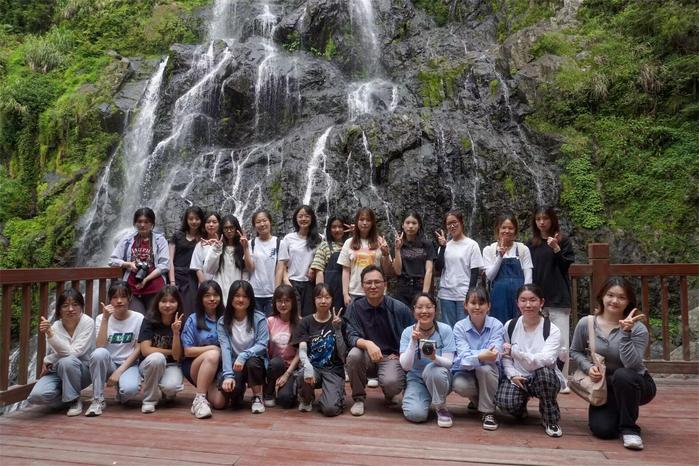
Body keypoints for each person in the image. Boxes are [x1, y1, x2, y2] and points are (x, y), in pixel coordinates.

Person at [570, 277, 655, 450]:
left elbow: (632, 365)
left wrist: (625, 334)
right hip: (604, 386)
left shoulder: (638, 329)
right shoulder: (586, 323)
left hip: (635, 382)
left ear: (629, 301)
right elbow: (575, 351)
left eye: (621, 297)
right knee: (603, 430)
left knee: (622, 375)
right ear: (602, 296)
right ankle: (619, 413)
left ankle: (630, 429)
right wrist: (588, 367)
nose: (615, 301)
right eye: (610, 295)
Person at [344, 265, 414, 416]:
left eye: (377, 282)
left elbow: (411, 335)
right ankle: (358, 398)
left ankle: (390, 394)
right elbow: (350, 336)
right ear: (362, 286)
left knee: (392, 383)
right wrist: (367, 344)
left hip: (390, 357)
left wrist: (400, 353)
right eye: (368, 282)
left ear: (385, 284)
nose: (373, 286)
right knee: (354, 355)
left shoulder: (399, 308)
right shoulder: (354, 307)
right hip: (365, 355)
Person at [496, 284, 563, 438]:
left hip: (543, 377)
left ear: (541, 302)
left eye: (533, 300)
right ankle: (520, 407)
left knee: (545, 375)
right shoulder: (510, 326)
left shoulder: (552, 330)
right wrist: (512, 375)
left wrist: (516, 353)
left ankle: (550, 418)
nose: (528, 305)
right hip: (519, 376)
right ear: (517, 303)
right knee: (505, 402)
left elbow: (545, 360)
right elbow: (506, 357)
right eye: (523, 300)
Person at [527, 206, 575, 389]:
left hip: (558, 298)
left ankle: (563, 380)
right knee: (539, 341)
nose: (542, 222)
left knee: (561, 342)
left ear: (552, 219)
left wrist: (556, 248)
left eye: (545, 218)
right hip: (538, 299)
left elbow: (565, 267)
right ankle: (541, 379)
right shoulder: (531, 243)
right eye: (538, 219)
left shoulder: (563, 240)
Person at [27, 289, 95, 416]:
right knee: (36, 396)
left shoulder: (87, 322)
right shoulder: (55, 327)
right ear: (59, 309)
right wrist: (51, 334)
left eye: (75, 305)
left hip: (82, 371)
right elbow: (61, 353)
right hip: (58, 370)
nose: (70, 309)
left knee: (67, 361)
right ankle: (66, 399)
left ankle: (74, 400)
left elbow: (74, 352)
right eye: (65, 306)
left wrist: (48, 359)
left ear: (81, 307)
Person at [86, 281, 144, 417]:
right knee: (99, 353)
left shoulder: (138, 318)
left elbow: (138, 349)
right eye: (115, 297)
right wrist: (106, 319)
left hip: (128, 365)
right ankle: (98, 399)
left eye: (123, 297)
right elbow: (100, 346)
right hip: (108, 364)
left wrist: (119, 372)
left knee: (128, 392)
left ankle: (121, 389)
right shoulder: (101, 318)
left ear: (130, 298)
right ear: (109, 300)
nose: (119, 301)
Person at [399, 293, 456, 427]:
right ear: (413, 310)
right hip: (417, 380)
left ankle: (441, 408)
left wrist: (434, 358)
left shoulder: (445, 330)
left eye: (429, 307)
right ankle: (416, 396)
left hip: (440, 378)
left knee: (432, 369)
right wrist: (413, 342)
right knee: (415, 415)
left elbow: (449, 363)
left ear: (435, 309)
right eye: (419, 307)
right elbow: (406, 366)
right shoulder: (407, 332)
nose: (424, 311)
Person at [451, 287, 504, 431]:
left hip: (491, 373)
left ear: (489, 306)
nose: (477, 307)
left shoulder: (496, 325)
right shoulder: (459, 327)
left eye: (481, 303)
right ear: (465, 305)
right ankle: (478, 401)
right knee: (459, 384)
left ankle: (488, 412)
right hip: (466, 372)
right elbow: (463, 358)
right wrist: (481, 356)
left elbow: (495, 355)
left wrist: (473, 356)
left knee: (484, 369)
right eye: (473, 303)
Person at [294, 284, 347, 416]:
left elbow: (342, 355)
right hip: (313, 368)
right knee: (302, 374)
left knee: (330, 410)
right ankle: (306, 398)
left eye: (327, 297)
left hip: (333, 370)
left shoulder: (339, 322)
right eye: (319, 297)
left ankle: (333, 395)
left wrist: (337, 330)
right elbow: (302, 349)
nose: (323, 301)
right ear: (314, 300)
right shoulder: (305, 322)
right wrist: (307, 366)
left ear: (332, 299)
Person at [217, 280, 269, 413]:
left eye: (245, 296)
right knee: (232, 396)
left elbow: (262, 344)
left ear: (250, 299)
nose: (241, 299)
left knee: (252, 362)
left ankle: (257, 397)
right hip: (235, 365)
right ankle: (239, 392)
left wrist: (243, 355)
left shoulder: (259, 318)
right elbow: (225, 349)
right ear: (230, 298)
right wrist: (228, 375)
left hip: (255, 362)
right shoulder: (223, 322)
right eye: (237, 296)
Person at [109, 207, 169, 314]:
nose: (142, 225)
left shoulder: (160, 240)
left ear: (152, 223)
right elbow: (112, 260)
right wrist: (128, 264)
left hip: (155, 288)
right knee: (137, 318)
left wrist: (146, 279)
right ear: (135, 223)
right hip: (132, 288)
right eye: (139, 221)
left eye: (146, 222)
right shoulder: (127, 240)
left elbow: (164, 265)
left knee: (152, 319)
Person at [181, 281, 227, 419]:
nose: (212, 299)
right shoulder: (193, 319)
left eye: (215, 295)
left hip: (218, 368)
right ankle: (199, 399)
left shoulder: (226, 318)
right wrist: (213, 348)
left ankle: (205, 393)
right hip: (195, 364)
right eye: (207, 295)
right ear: (201, 298)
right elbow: (187, 351)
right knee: (213, 354)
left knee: (219, 403)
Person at [138, 285, 184, 414]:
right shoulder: (149, 320)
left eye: (172, 301)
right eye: (163, 301)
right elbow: (145, 350)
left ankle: (166, 391)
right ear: (157, 303)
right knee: (157, 358)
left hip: (172, 365)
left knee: (171, 387)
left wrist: (176, 333)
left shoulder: (183, 321)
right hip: (149, 364)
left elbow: (177, 357)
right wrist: (170, 352)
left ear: (178, 303)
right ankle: (149, 400)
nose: (167, 305)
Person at [434, 211, 484, 327]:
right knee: (448, 328)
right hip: (446, 294)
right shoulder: (445, 246)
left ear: (461, 223)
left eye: (454, 222)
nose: (452, 226)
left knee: (464, 327)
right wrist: (442, 247)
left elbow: (474, 272)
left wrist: (470, 295)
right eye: (449, 224)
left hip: (463, 294)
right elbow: (438, 268)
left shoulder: (472, 245)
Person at [483, 214, 533, 324]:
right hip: (498, 298)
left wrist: (525, 297)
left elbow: (528, 276)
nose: (507, 231)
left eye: (510, 228)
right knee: (499, 326)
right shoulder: (489, 250)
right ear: (498, 229)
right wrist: (500, 256)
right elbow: (490, 276)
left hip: (519, 297)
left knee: (520, 325)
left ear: (515, 231)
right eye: (503, 228)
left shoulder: (523, 249)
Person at [338, 207, 393, 306]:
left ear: (372, 223)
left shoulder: (380, 241)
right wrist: (345, 294)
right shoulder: (348, 243)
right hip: (355, 292)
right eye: (361, 219)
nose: (364, 223)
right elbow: (346, 270)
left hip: (377, 292)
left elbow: (387, 271)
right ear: (356, 221)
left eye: (368, 220)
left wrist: (386, 254)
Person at [276, 205, 322, 317]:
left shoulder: (320, 239)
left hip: (310, 283)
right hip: (292, 282)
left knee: (308, 316)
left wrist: (313, 266)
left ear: (312, 218)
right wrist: (285, 281)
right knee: (293, 316)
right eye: (300, 216)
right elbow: (282, 264)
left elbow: (321, 260)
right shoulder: (288, 238)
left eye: (307, 216)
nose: (303, 219)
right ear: (296, 219)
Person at [264, 285, 300, 408]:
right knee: (276, 363)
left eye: (287, 301)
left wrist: (287, 374)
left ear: (293, 302)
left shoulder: (300, 322)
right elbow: (264, 347)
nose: (283, 304)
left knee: (286, 401)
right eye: (279, 301)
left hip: (291, 368)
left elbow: (300, 353)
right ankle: (269, 392)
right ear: (275, 303)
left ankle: (291, 388)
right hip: (274, 366)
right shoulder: (270, 321)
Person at [203, 214, 251, 300]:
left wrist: (245, 248)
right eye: (226, 228)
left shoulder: (244, 246)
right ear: (222, 229)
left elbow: (248, 269)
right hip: (220, 289)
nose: (229, 231)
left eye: (231, 227)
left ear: (236, 228)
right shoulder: (217, 246)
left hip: (238, 291)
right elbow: (209, 269)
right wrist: (216, 249)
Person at [392, 212, 435, 306]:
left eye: (414, 223)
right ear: (402, 225)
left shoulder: (427, 245)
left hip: (420, 287)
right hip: (402, 289)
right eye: (407, 223)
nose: (410, 226)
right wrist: (397, 249)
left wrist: (424, 294)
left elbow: (429, 271)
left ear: (419, 225)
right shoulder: (397, 244)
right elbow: (398, 271)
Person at [168, 206, 205, 315]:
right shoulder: (177, 236)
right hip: (177, 275)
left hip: (193, 277)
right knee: (174, 307)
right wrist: (172, 282)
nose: (194, 221)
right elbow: (170, 259)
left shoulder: (204, 237)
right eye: (191, 219)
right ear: (186, 220)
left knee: (190, 308)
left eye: (197, 219)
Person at [311, 215, 348, 312]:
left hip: (349, 290)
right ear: (329, 229)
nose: (337, 230)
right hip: (331, 292)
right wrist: (321, 294)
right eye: (334, 227)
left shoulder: (351, 245)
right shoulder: (324, 246)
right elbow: (319, 270)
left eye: (340, 227)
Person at [247, 210, 280, 316]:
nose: (262, 224)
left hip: (272, 293)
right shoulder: (251, 244)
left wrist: (277, 293)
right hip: (255, 293)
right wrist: (245, 248)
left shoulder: (279, 243)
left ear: (270, 222)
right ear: (254, 226)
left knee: (272, 322)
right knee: (257, 323)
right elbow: (250, 268)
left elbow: (280, 269)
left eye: (264, 220)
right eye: (258, 222)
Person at [190, 211, 222, 284]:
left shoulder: (224, 243)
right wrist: (205, 286)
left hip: (223, 282)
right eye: (208, 222)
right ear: (204, 225)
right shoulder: (200, 245)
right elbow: (197, 268)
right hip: (205, 284)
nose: (211, 224)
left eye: (214, 222)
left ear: (219, 224)